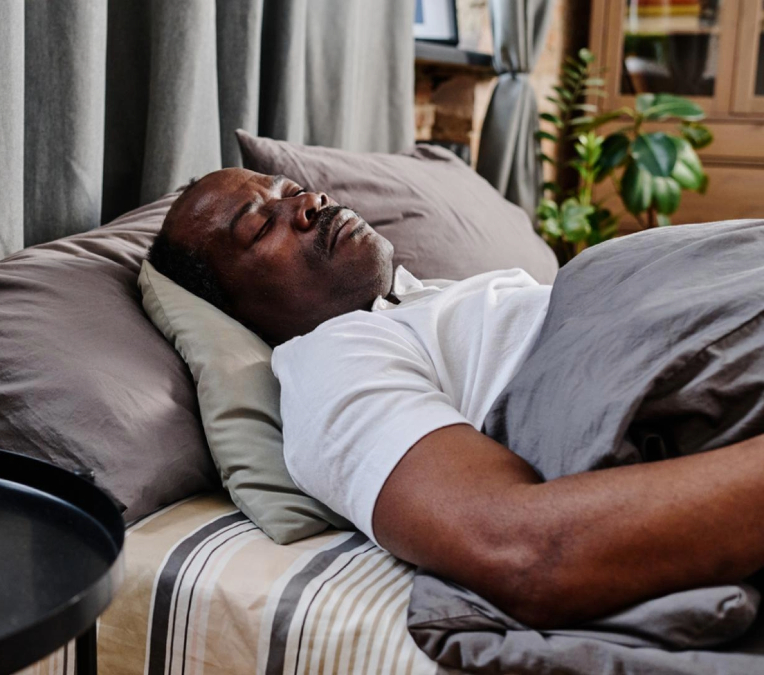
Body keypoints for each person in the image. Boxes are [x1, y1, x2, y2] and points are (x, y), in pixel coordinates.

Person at [147, 167, 764, 630]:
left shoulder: (426, 303)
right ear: (235, 307)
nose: (308, 203)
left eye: (291, 191)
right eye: (260, 225)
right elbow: (519, 549)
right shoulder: (331, 358)